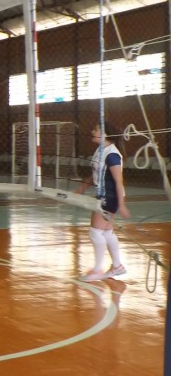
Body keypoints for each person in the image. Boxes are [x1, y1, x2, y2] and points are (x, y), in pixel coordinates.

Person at [75, 121, 130, 282]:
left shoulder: (112, 155)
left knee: (95, 232)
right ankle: (117, 266)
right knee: (106, 232)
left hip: (110, 196)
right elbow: (96, 175)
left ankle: (98, 270)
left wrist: (121, 204)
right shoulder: (101, 150)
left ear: (105, 134)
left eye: (96, 129)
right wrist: (82, 188)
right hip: (105, 195)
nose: (92, 131)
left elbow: (118, 181)